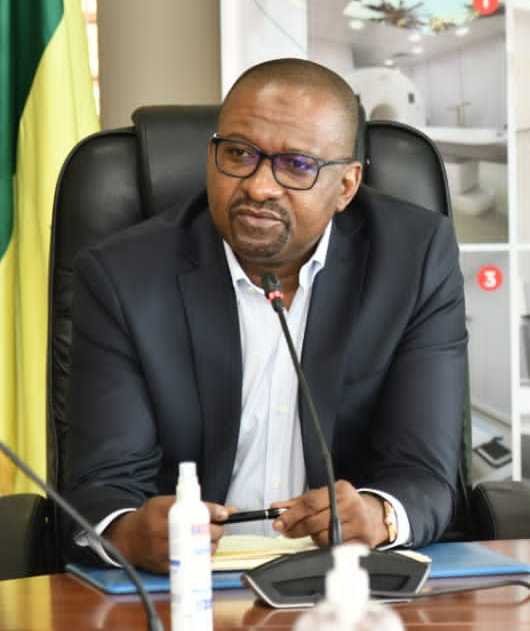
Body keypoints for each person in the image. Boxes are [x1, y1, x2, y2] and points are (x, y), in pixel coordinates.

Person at [63, 58, 468, 573]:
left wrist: (378, 514)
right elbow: (105, 483)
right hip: (185, 588)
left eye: (296, 165)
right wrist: (131, 531)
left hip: (345, 585)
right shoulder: (123, 276)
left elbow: (425, 469)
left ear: (346, 186)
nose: (258, 186)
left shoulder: (413, 259)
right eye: (238, 154)